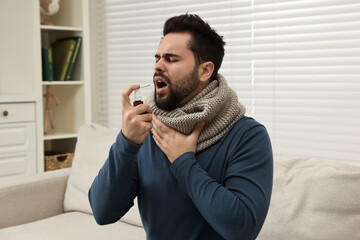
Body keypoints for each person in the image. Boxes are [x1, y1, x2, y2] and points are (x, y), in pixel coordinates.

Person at [89, 13, 273, 240]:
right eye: (157, 58)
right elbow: (102, 212)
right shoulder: (146, 129)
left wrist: (183, 161)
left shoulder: (247, 135)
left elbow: (242, 229)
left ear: (205, 71)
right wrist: (126, 142)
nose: (158, 66)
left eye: (171, 59)